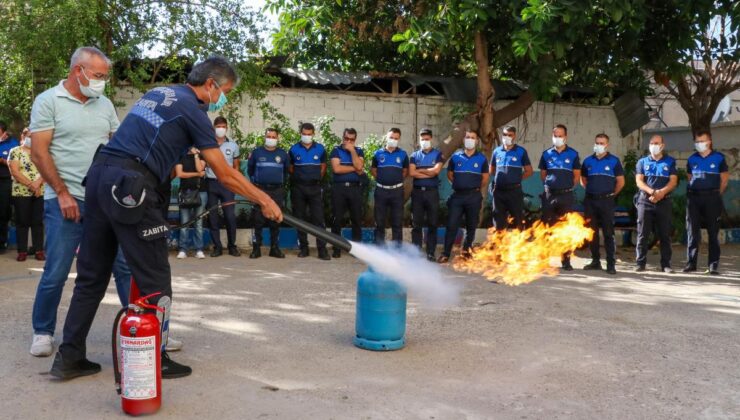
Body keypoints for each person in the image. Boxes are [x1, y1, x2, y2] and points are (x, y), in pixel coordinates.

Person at [50, 55, 282, 380]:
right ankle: (153, 358)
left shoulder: (161, 92)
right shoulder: (194, 109)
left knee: (91, 277)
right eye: (225, 91)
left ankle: (69, 357)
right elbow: (224, 174)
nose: (224, 98)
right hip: (130, 186)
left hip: (100, 178)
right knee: (155, 277)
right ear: (211, 84)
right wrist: (263, 199)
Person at [28, 47, 130, 357]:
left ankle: (146, 328)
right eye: (98, 76)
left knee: (125, 267)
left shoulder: (105, 104)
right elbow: (39, 152)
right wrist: (62, 193)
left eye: (104, 76)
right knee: (57, 271)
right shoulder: (48, 101)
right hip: (64, 201)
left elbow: (118, 146)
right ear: (78, 71)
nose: (102, 82)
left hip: (104, 201)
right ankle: (43, 331)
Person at [438, 130, 489, 263]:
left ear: (477, 141)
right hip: (457, 197)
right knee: (451, 225)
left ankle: (466, 252)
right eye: (467, 137)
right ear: (463, 139)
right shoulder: (456, 157)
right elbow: (450, 174)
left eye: (473, 137)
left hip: (474, 197)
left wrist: (474, 187)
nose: (470, 139)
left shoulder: (482, 159)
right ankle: (445, 253)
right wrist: (459, 184)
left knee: (471, 226)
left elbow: (484, 179)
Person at [683, 130, 729, 275]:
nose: (699, 144)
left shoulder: (719, 158)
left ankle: (713, 265)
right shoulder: (691, 159)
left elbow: (724, 180)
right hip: (694, 199)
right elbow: (689, 178)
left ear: (709, 142)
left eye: (702, 141)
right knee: (692, 231)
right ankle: (691, 263)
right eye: (697, 142)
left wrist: (714, 194)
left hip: (712, 198)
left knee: (713, 231)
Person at [538, 124, 581, 271]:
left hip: (566, 196)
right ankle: (544, 259)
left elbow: (576, 176)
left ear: (565, 137)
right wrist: (550, 186)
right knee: (546, 227)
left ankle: (566, 260)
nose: (557, 138)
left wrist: (566, 187)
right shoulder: (546, 154)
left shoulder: (573, 154)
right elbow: (543, 175)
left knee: (565, 228)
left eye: (560, 135)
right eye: (555, 135)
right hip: (549, 195)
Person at [580, 133, 625, 275]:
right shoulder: (588, 161)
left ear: (607, 145)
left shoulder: (614, 161)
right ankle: (595, 261)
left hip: (606, 201)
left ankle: (611, 264)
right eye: (597, 143)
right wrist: (591, 191)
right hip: (591, 201)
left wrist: (611, 194)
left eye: (602, 143)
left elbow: (620, 182)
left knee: (608, 233)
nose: (599, 145)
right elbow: (583, 180)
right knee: (591, 232)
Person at [635, 135, 678, 273]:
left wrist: (661, 193)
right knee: (643, 233)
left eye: (657, 143)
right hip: (645, 201)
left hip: (663, 202)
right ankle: (640, 263)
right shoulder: (642, 162)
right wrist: (653, 192)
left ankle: (666, 264)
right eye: (652, 143)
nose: (654, 146)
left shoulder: (670, 162)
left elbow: (673, 182)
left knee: (664, 234)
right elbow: (639, 182)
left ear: (662, 146)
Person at [289, 122, 330, 260]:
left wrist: (315, 178)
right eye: (304, 134)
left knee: (319, 219)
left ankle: (322, 250)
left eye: (309, 134)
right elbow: (291, 168)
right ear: (300, 134)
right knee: (300, 219)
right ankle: (304, 249)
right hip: (299, 188)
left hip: (315, 188)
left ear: (313, 134)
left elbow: (323, 167)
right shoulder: (293, 149)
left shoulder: (320, 149)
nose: (307, 136)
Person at [247, 128, 289, 259]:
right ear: (265, 137)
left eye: (273, 136)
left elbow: (286, 172)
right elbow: (250, 170)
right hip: (260, 190)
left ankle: (274, 248)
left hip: (277, 190)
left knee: (276, 220)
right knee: (257, 220)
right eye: (269, 136)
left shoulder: (283, 154)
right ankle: (256, 248)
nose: (271, 138)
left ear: (277, 138)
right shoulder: (256, 152)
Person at [205, 116, 240, 257]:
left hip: (227, 185)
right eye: (218, 126)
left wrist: (234, 182)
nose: (221, 129)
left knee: (230, 216)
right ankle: (217, 247)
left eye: (223, 126)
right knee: (212, 217)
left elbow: (236, 166)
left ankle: (232, 246)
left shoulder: (233, 145)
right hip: (212, 183)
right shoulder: (207, 144)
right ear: (214, 128)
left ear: (226, 128)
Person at [8, 128, 45, 261]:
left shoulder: (41, 152)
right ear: (22, 136)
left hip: (39, 191)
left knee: (38, 222)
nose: (32, 139)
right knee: (22, 222)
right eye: (29, 136)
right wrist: (31, 185)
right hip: (21, 191)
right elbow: (15, 171)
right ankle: (22, 251)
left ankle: (39, 250)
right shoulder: (15, 151)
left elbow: (47, 169)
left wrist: (38, 183)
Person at [329, 128, 364, 258]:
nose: (349, 141)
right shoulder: (336, 150)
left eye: (352, 139)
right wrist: (354, 168)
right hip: (339, 188)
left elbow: (360, 167)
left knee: (356, 219)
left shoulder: (359, 151)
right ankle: (336, 248)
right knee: (337, 219)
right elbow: (337, 169)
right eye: (346, 139)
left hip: (355, 189)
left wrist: (352, 151)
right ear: (342, 138)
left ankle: (356, 250)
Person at [409, 128, 443, 261]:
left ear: (431, 139)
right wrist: (429, 171)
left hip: (432, 193)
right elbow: (412, 173)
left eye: (427, 139)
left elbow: (436, 172)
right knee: (416, 224)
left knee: (432, 223)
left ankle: (430, 252)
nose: (424, 141)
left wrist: (421, 170)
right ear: (419, 140)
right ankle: (416, 252)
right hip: (417, 193)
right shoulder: (414, 155)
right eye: (422, 139)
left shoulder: (438, 155)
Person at [490, 125, 533, 230]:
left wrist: (516, 179)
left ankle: (519, 243)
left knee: (518, 219)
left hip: (514, 191)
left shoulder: (521, 151)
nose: (507, 137)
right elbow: (492, 170)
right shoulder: (496, 151)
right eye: (505, 134)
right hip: (499, 192)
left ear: (514, 136)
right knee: (498, 221)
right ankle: (499, 244)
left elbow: (529, 171)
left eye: (510, 135)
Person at [372, 128, 409, 246]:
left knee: (397, 222)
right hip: (381, 191)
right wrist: (383, 180)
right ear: (386, 137)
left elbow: (405, 172)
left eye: (396, 138)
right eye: (391, 137)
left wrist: (394, 181)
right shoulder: (378, 154)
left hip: (397, 192)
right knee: (379, 222)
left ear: (399, 139)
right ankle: (379, 248)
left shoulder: (403, 154)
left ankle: (397, 249)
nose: (393, 140)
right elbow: (373, 171)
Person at [175, 147, 207, 259]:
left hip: (200, 192)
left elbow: (200, 168)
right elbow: (180, 174)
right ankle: (183, 249)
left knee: (198, 223)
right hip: (185, 192)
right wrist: (197, 175)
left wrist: (196, 156)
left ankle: (199, 249)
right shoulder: (181, 156)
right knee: (185, 223)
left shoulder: (201, 156)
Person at [0, 120, 21, 253]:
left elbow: (14, 163)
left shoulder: (12, 143)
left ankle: (2, 243)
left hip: (4, 181)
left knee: (3, 212)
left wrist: (2, 160)